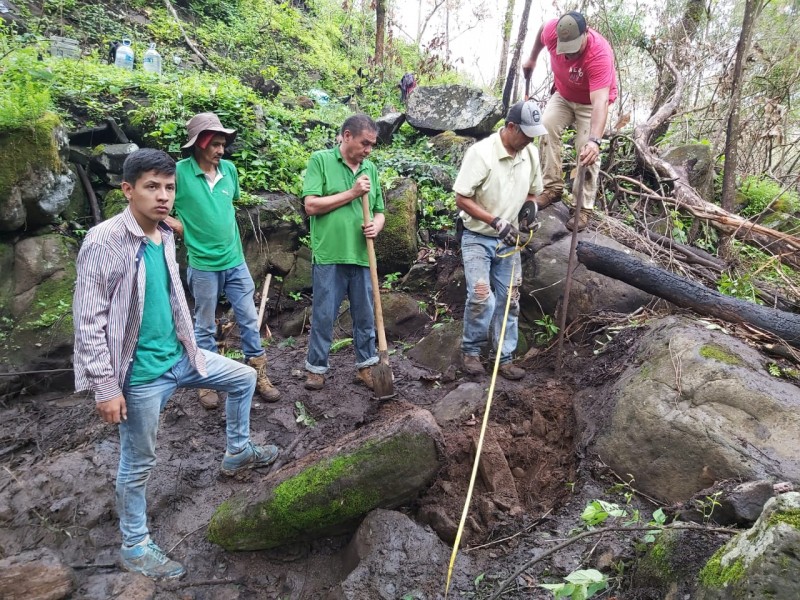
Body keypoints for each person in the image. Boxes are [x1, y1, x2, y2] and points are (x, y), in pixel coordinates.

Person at [73, 148, 280, 580]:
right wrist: (106, 388)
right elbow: (88, 321)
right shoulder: (103, 241)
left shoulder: (164, 234)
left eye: (169, 187)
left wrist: (190, 345)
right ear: (127, 190)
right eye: (152, 187)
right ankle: (134, 544)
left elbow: (169, 294)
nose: (163, 196)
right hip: (140, 374)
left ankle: (238, 452)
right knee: (139, 460)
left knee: (243, 378)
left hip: (181, 355)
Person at [166, 112, 280, 409]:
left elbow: (229, 205)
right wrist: (174, 223)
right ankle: (206, 379)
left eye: (222, 144)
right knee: (204, 324)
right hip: (202, 264)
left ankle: (258, 374)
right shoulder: (178, 173)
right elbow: (149, 199)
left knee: (248, 318)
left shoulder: (229, 170)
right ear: (200, 144)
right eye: (215, 144)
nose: (220, 150)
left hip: (235, 260)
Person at [454, 100, 546, 380]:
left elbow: (534, 192)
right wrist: (495, 220)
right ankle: (470, 352)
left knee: (510, 299)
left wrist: (530, 208)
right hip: (477, 236)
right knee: (482, 296)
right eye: (526, 133)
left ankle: (503, 358)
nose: (530, 139)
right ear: (510, 127)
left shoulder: (529, 154)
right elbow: (461, 197)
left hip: (509, 240)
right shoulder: (481, 154)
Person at [302, 114, 385, 391]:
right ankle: (316, 368)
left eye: (372, 144)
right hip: (329, 253)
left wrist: (377, 225)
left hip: (363, 255)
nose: (368, 150)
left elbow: (379, 211)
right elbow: (311, 205)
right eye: (365, 143)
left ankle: (366, 367)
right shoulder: (321, 160)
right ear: (347, 136)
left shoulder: (370, 169)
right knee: (324, 313)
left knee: (365, 315)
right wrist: (351, 193)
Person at [522, 11, 618, 231]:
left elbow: (600, 102)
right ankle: (552, 188)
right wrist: (533, 58)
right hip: (564, 95)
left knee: (586, 151)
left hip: (590, 103)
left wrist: (595, 141)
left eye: (574, 48)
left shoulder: (599, 54)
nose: (569, 54)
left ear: (585, 33)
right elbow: (541, 31)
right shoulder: (552, 31)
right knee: (545, 126)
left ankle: (582, 208)